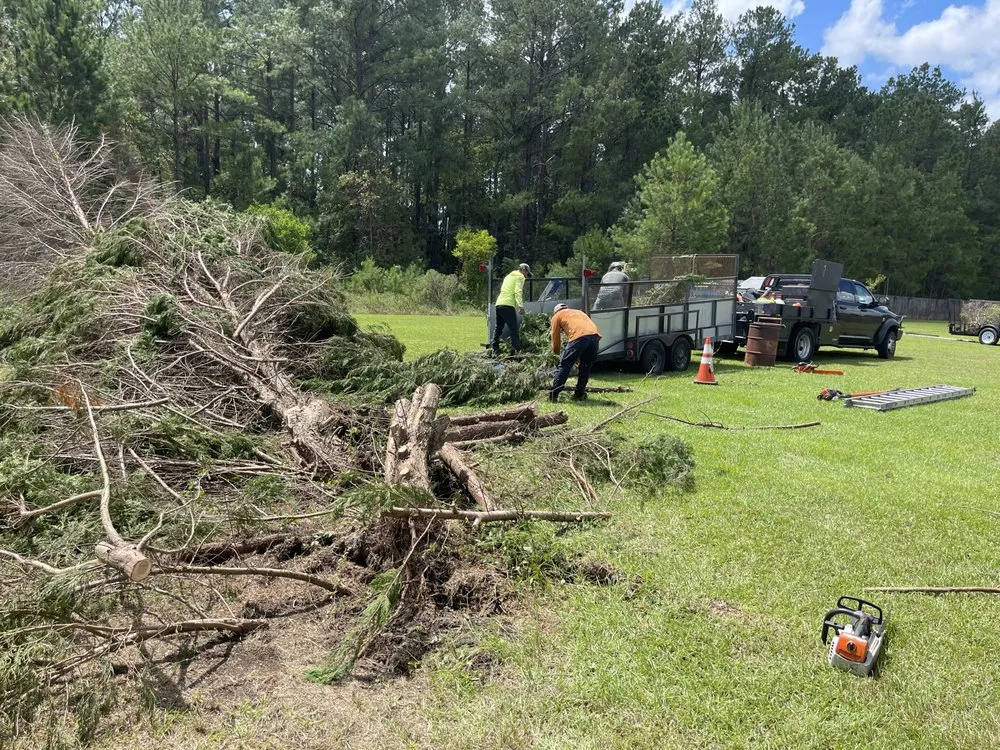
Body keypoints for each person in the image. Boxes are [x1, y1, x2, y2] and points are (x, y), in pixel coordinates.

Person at [548, 303, 601, 402]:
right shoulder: (579, 312)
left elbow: (555, 337)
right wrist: (577, 357)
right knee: (585, 367)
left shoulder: (557, 316)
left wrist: (556, 352)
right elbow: (584, 334)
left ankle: (553, 395)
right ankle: (579, 394)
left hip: (579, 338)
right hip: (594, 337)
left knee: (564, 366)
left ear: (556, 312)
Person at [492, 263, 531, 355]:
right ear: (524, 270)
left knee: (498, 327)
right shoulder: (520, 277)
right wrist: (521, 306)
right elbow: (518, 291)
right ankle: (517, 350)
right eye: (527, 273)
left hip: (499, 304)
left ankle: (495, 348)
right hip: (508, 305)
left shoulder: (508, 277)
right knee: (514, 328)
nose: (526, 276)